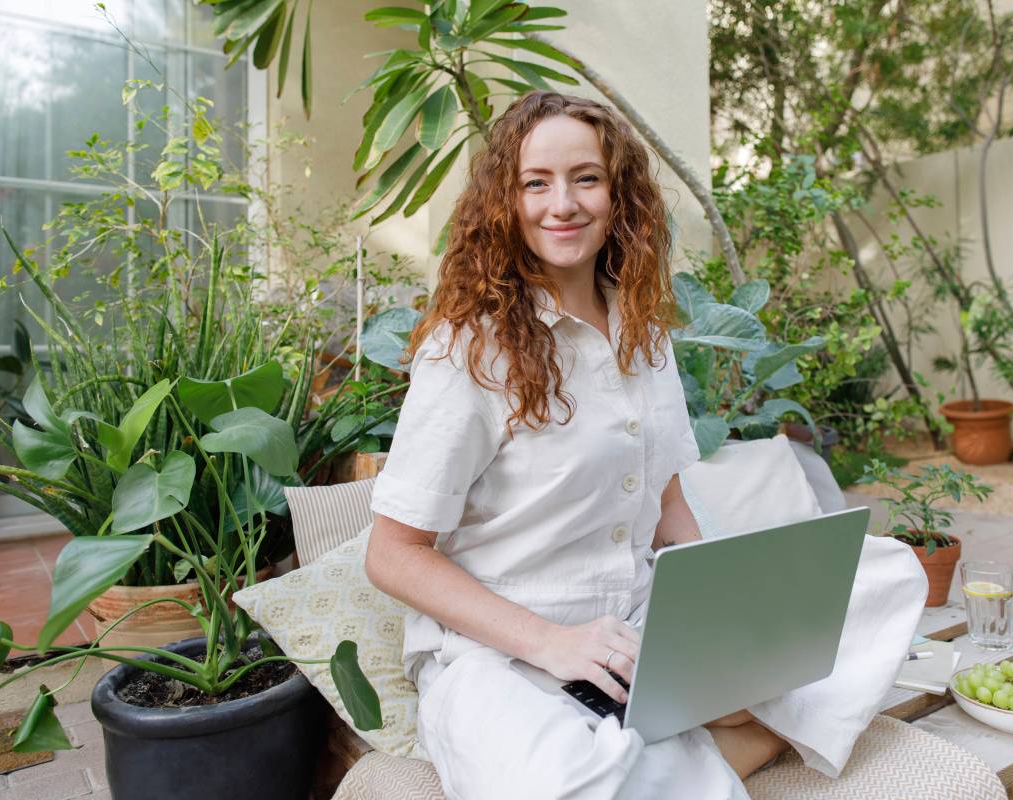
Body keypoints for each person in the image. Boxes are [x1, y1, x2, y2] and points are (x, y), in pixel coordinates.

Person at [365, 91, 926, 800]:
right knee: (557, 787)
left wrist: (716, 617)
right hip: (500, 650)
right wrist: (549, 642)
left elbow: (665, 498)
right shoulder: (467, 349)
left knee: (887, 575)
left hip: (639, 623)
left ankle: (683, 721)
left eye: (586, 178)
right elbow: (392, 553)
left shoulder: (644, 331)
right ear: (505, 202)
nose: (561, 203)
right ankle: (743, 739)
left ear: (618, 193)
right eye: (536, 183)